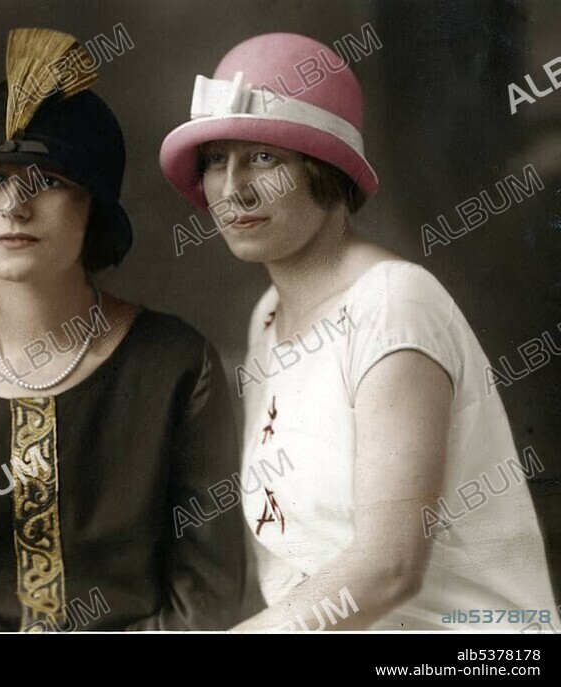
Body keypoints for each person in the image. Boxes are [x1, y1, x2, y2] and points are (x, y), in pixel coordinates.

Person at [159, 32, 556, 631]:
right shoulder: (267, 316)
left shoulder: (394, 303)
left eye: (264, 158)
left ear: (327, 170)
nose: (233, 189)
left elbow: (389, 567)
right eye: (218, 159)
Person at [0, 28, 259, 632]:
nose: (14, 206)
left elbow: (206, 598)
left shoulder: (174, 365)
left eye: (49, 182)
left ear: (95, 210)